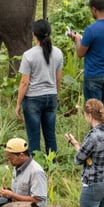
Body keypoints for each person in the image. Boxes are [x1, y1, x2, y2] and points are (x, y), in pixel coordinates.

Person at [68, 0, 104, 121]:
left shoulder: (91, 30)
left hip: (94, 75)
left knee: (94, 111)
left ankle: (97, 133)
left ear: (94, 9)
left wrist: (77, 40)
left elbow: (80, 53)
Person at [15, 19, 63, 156]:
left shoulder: (29, 55)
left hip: (33, 99)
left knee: (34, 137)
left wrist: (18, 104)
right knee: (50, 135)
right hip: (51, 97)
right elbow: (58, 79)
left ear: (34, 34)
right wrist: (56, 95)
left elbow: (24, 83)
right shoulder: (58, 53)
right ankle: (52, 163)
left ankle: (36, 164)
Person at [65, 98, 104, 207]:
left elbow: (78, 159)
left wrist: (75, 145)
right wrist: (76, 143)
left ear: (89, 116)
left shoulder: (93, 137)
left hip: (94, 185)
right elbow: (90, 155)